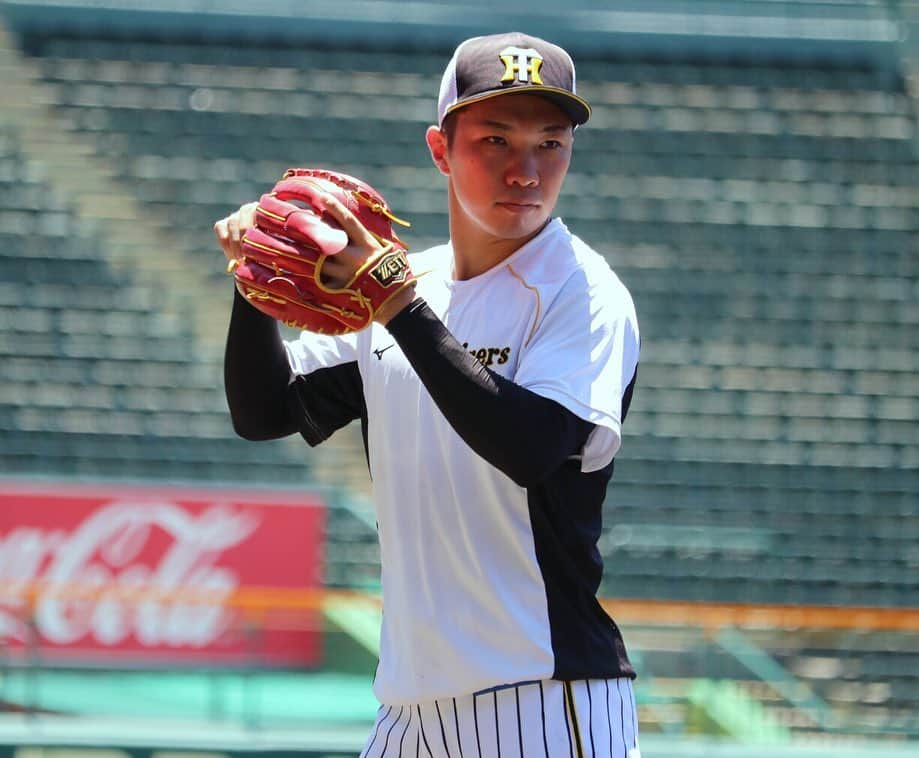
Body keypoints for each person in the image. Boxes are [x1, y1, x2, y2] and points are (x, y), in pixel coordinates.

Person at [215, 31, 641, 758]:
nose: (525, 170)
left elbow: (531, 447)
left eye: (551, 143)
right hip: (408, 704)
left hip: (542, 693)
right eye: (494, 141)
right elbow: (265, 412)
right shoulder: (406, 288)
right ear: (440, 151)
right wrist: (259, 283)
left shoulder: (581, 291)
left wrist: (396, 305)